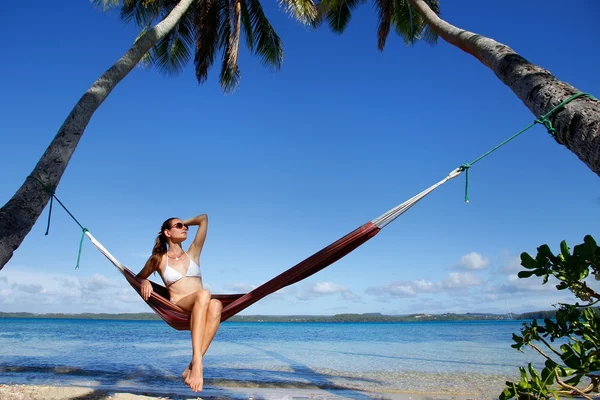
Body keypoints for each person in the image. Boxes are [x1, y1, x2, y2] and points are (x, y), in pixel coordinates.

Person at [136, 214, 222, 393]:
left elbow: (204, 219)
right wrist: (145, 282)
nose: (184, 228)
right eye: (179, 226)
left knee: (217, 305)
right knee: (205, 294)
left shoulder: (193, 252)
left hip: (201, 306)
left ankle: (191, 365)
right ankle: (197, 365)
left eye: (185, 226)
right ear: (167, 232)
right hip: (179, 306)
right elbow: (139, 277)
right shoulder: (158, 259)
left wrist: (184, 222)